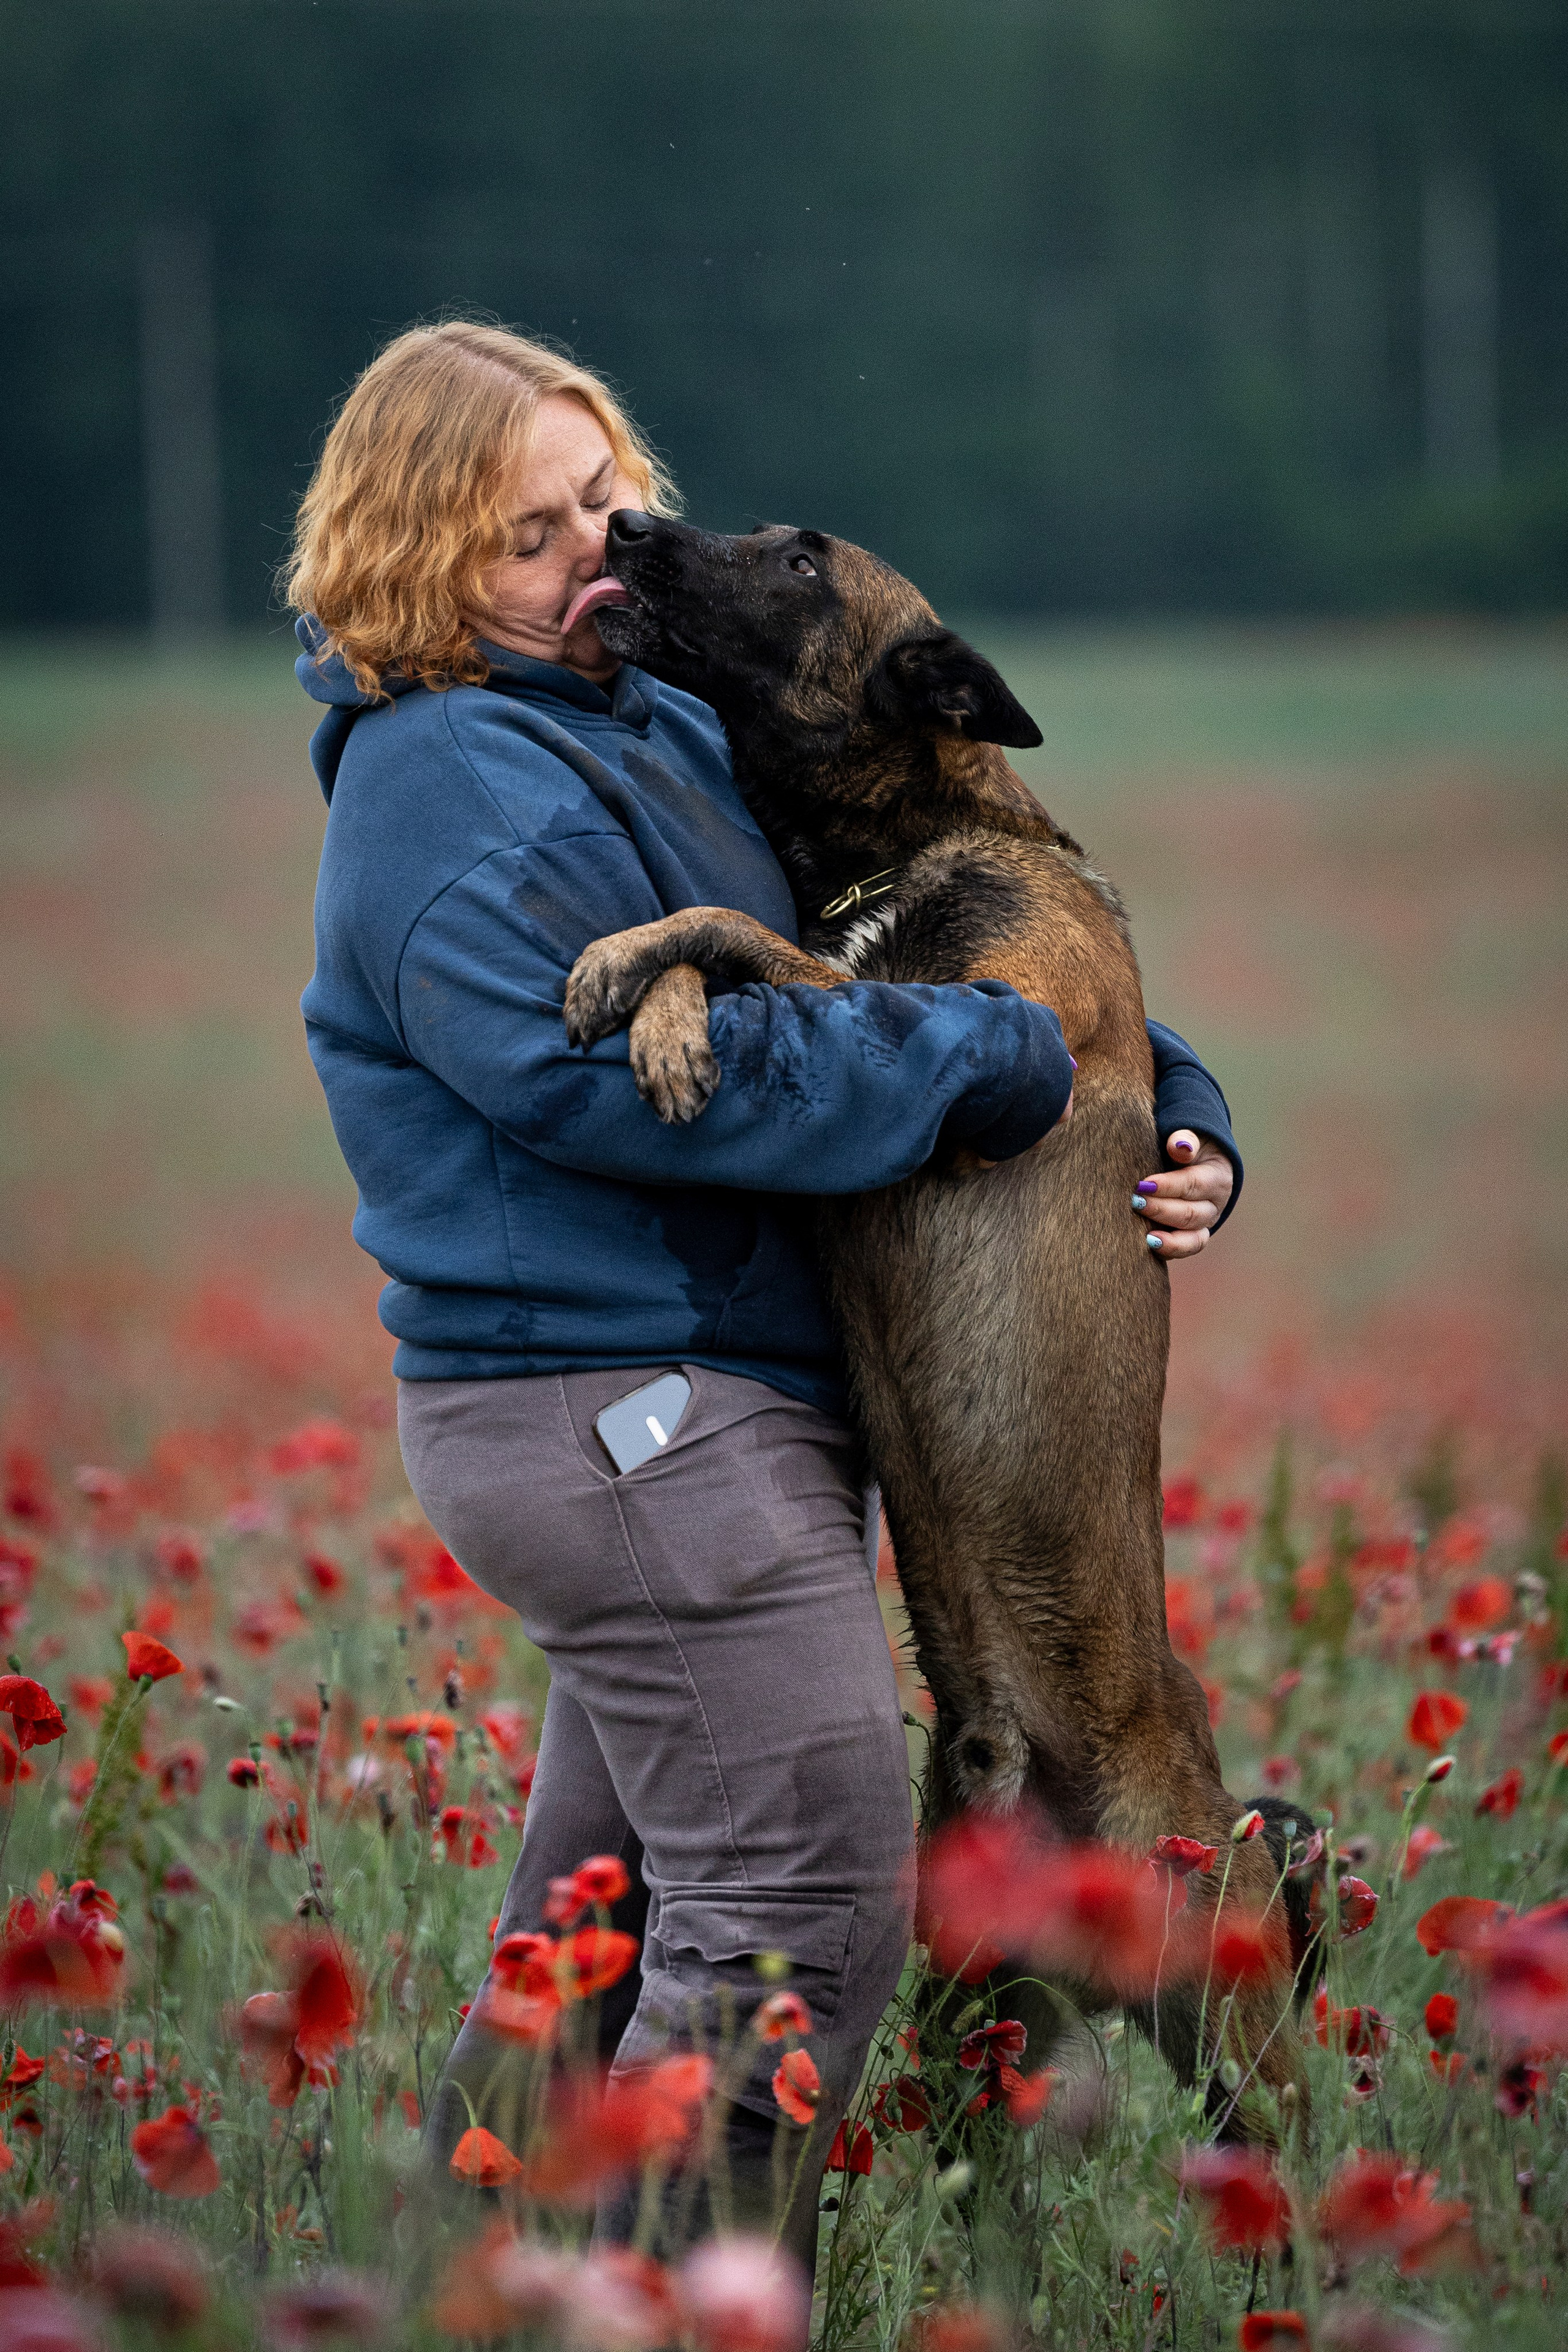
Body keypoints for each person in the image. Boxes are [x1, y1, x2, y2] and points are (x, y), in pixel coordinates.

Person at [285, 320, 1240, 2271]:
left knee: (599, 1931)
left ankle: (430, 2292)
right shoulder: (445, 779)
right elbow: (617, 1083)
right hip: (626, 1413)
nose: (597, 550)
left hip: (684, 1411)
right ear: (414, 558)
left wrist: (1180, 1107)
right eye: (528, 535)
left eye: (600, 499)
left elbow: (931, 942)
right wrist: (1010, 1067)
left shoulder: (636, 713)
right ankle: (681, 2307)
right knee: (797, 1895)